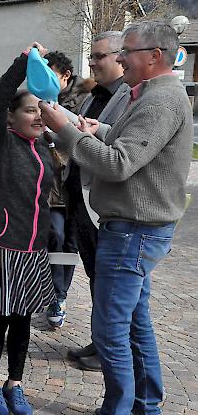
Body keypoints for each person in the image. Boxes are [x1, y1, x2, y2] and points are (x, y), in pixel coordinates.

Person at [41, 20, 193, 415]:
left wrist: (69, 132)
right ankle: (147, 404)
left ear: (155, 56)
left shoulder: (161, 100)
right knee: (135, 325)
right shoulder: (146, 94)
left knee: (110, 331)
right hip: (133, 231)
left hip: (133, 234)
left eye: (128, 51)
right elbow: (133, 144)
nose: (121, 57)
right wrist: (99, 128)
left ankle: (119, 409)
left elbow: (120, 164)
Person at [0, 42, 55, 415]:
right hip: (1, 245)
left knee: (23, 320)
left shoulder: (46, 147)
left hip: (33, 248)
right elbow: (1, 93)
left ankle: (14, 384)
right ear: (11, 117)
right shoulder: (1, 141)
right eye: (30, 110)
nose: (38, 116)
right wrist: (24, 61)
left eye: (41, 110)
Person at [64, 31, 131, 372]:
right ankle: (100, 340)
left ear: (122, 57)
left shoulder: (130, 96)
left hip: (103, 204)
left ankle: (111, 350)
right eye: (91, 55)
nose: (91, 62)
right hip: (79, 199)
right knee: (94, 276)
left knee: (110, 283)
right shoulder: (94, 95)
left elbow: (117, 152)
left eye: (99, 56)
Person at [40, 50, 85, 329]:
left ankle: (61, 295)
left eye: (49, 75)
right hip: (54, 190)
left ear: (65, 77)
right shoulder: (41, 99)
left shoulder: (85, 101)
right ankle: (55, 294)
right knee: (54, 237)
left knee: (71, 245)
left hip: (80, 188)